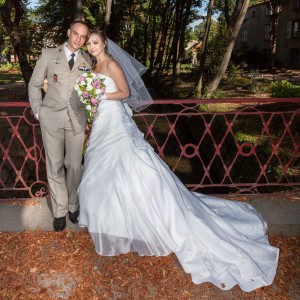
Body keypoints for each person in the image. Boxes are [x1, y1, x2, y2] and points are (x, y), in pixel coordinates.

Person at [77, 29, 279, 292]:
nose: (92, 46)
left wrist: (100, 95)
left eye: (95, 42)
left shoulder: (112, 64)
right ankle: (115, 223)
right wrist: (91, 100)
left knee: (134, 169)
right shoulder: (94, 66)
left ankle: (148, 219)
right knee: (105, 173)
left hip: (115, 123)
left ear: (104, 43)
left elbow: (125, 92)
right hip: (103, 123)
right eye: (89, 43)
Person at [28, 21, 92, 232]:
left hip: (76, 119)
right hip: (51, 119)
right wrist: (38, 111)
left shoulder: (87, 60)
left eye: (83, 36)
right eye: (75, 34)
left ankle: (73, 204)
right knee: (54, 166)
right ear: (68, 33)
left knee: (74, 165)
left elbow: (90, 91)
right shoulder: (48, 54)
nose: (78, 39)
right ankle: (60, 210)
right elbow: (35, 84)